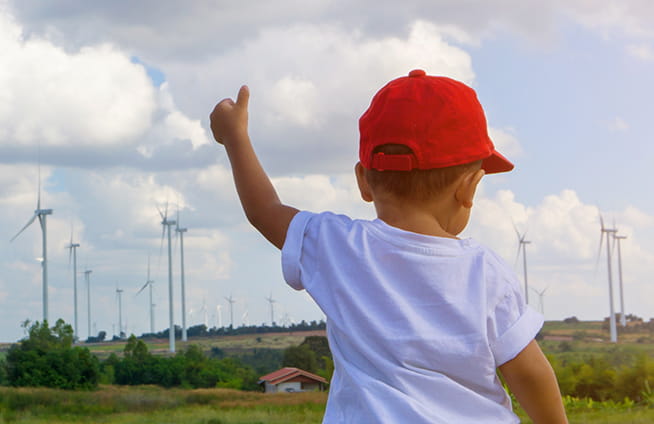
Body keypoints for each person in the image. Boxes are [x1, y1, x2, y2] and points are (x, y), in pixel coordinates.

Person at [210, 69, 568, 423]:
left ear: (363, 181)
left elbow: (264, 211)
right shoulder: (485, 272)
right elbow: (529, 372)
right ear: (469, 188)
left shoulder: (336, 246)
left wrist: (236, 137)